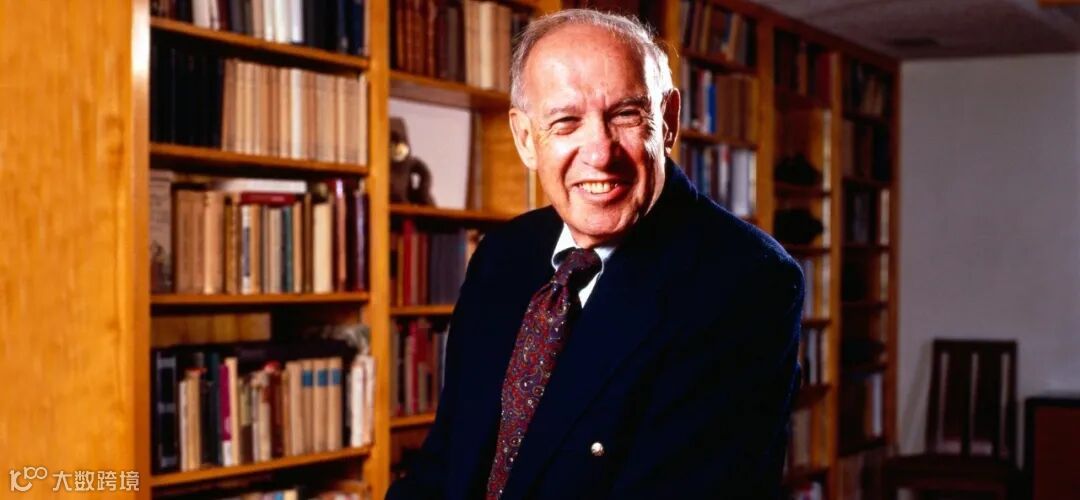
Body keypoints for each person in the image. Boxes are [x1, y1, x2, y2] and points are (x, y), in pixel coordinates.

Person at [387, 9, 803, 500]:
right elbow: (447, 461)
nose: (601, 153)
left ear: (668, 121)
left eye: (626, 114)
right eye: (566, 122)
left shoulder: (746, 279)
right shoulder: (502, 253)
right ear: (525, 139)